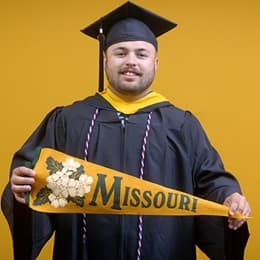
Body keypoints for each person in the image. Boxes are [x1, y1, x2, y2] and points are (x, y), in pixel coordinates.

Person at [1, 2, 250, 260]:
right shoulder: (68, 121)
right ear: (105, 59)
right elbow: (33, 178)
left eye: (141, 54)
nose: (131, 61)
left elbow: (211, 181)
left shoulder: (181, 125)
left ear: (155, 63)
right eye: (121, 53)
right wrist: (21, 192)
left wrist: (228, 196)